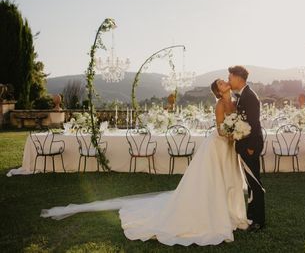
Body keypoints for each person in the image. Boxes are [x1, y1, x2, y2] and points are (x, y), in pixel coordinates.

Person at [41, 79, 249, 246]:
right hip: (218, 145)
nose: (225, 82)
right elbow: (220, 128)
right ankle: (213, 212)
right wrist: (232, 132)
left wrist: (237, 131)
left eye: (224, 81)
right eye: (221, 83)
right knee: (212, 180)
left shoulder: (234, 100)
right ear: (217, 91)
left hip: (228, 148)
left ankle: (228, 209)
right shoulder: (220, 104)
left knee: (226, 179)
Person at [228, 65, 266, 231]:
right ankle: (252, 217)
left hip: (250, 146)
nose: (229, 80)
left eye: (230, 77)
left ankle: (258, 220)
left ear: (238, 78)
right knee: (251, 183)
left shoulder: (249, 97)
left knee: (255, 183)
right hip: (244, 146)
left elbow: (253, 124)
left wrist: (250, 147)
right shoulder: (243, 96)